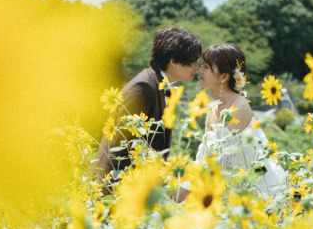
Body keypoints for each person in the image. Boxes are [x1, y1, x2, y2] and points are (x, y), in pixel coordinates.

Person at [94, 26, 201, 188]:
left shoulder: (159, 85)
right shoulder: (143, 87)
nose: (197, 67)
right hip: (114, 188)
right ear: (173, 61)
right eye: (193, 61)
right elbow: (118, 145)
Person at [192, 43, 287, 198]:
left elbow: (224, 160)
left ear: (224, 76)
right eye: (202, 65)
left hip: (258, 193)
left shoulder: (239, 107)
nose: (200, 70)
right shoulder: (213, 109)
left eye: (207, 67)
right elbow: (203, 156)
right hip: (231, 190)